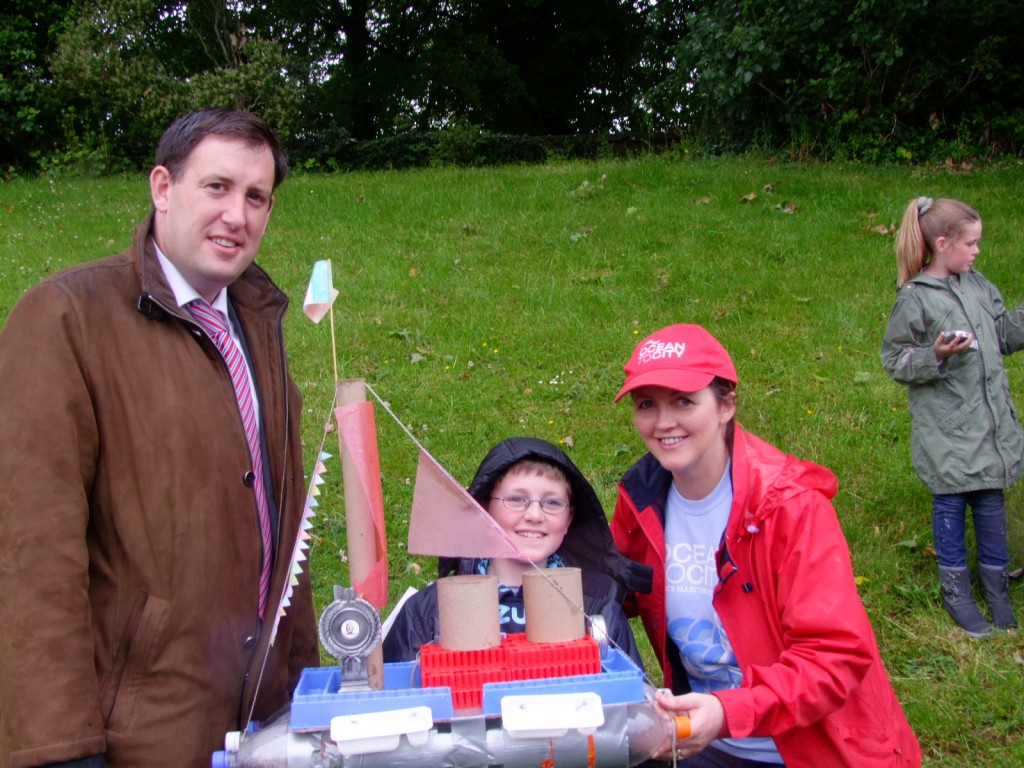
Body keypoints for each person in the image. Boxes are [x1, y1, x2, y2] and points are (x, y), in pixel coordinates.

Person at [0, 109, 319, 768]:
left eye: (256, 197)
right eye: (217, 187)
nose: (238, 214)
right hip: (137, 738)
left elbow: (291, 544)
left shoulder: (259, 330)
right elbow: (30, 551)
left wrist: (304, 699)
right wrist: (56, 745)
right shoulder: (66, 317)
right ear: (163, 188)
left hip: (267, 729)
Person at [610, 324, 921, 767]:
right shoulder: (642, 500)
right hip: (704, 743)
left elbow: (835, 657)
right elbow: (607, 594)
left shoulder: (790, 506)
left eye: (683, 401)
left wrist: (726, 711)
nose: (663, 422)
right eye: (647, 405)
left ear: (726, 405)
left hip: (809, 750)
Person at [881, 196, 1022, 637]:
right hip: (948, 429)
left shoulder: (977, 284)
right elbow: (894, 358)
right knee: (952, 501)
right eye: (972, 243)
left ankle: (996, 585)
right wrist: (935, 354)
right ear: (943, 244)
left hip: (989, 421)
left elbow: (1000, 335)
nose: (978, 251)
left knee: (990, 499)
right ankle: (957, 589)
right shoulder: (916, 298)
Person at [383, 437, 651, 667]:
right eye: (516, 499)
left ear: (570, 520)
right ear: (485, 509)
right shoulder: (428, 611)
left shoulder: (597, 613)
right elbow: (388, 706)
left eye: (552, 502)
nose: (534, 515)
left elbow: (636, 710)